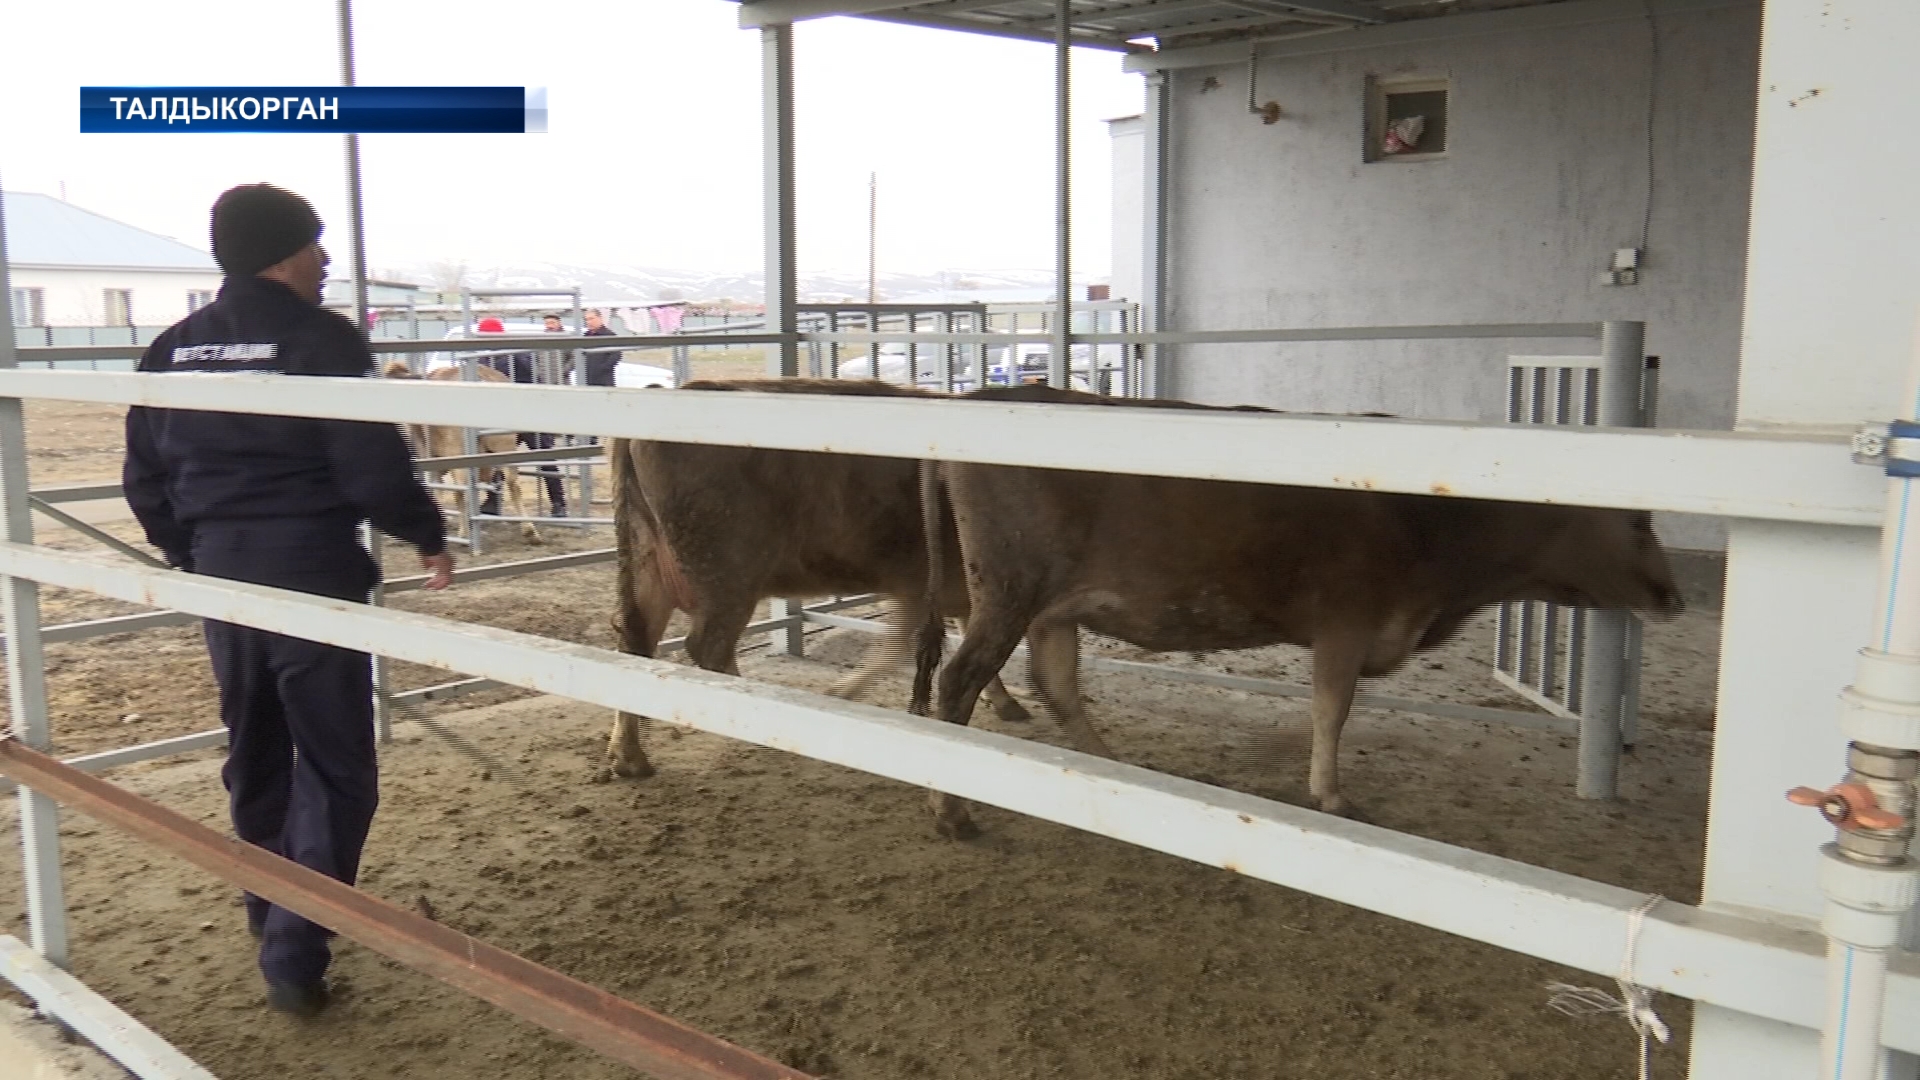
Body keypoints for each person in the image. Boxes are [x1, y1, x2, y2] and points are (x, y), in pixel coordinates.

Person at [122, 183, 455, 1018]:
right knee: (339, 765)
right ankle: (295, 951)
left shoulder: (173, 347)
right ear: (282, 254)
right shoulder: (321, 338)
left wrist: (189, 550)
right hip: (310, 573)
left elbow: (145, 475)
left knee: (258, 749)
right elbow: (367, 460)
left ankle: (267, 909)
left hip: (221, 574)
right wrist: (424, 530)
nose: (327, 260)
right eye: (315, 245)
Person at [472, 317, 568, 518]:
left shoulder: (514, 356)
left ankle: (558, 502)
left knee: (543, 455)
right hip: (505, 417)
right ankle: (493, 501)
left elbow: (535, 380)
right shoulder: (482, 359)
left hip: (526, 415)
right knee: (499, 457)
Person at [581, 307, 621, 388]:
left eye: (591, 319)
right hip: (588, 379)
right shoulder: (586, 336)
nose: (589, 322)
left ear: (600, 318)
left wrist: (602, 368)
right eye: (587, 320)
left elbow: (616, 355)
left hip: (604, 380)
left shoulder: (608, 335)